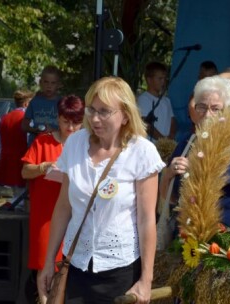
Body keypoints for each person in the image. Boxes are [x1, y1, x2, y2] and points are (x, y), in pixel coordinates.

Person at [37, 77, 164, 304]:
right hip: (75, 267)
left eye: (104, 111)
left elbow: (146, 220)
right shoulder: (75, 143)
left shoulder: (142, 152)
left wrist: (146, 280)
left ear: (125, 115)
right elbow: (64, 207)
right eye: (91, 110)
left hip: (121, 271)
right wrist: (48, 263)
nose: (95, 118)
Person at [160, 76, 230, 229]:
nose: (207, 114)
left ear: (228, 111)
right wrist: (168, 174)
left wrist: (197, 170)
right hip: (187, 239)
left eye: (215, 109)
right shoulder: (187, 142)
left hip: (228, 242)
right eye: (201, 107)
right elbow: (170, 199)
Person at [21, 95, 84, 289]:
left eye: (76, 123)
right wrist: (44, 167)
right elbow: (25, 171)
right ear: (58, 118)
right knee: (44, 264)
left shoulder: (86, 145)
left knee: (68, 268)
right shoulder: (43, 142)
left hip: (75, 215)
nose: (71, 128)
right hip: (46, 213)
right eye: (66, 122)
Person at [0, 89, 34, 206]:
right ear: (26, 104)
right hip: (22, 160)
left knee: (15, 194)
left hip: (7, 160)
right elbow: (29, 141)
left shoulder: (4, 118)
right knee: (22, 196)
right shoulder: (26, 120)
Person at [22, 65, 62, 146]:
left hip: (55, 146)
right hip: (36, 146)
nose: (49, 86)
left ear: (58, 85)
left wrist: (52, 131)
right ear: (40, 82)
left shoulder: (62, 103)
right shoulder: (35, 102)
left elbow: (68, 128)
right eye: (46, 82)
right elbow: (24, 125)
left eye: (53, 83)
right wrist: (34, 130)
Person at [137, 61, 176, 141]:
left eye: (165, 78)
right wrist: (162, 140)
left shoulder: (166, 100)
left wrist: (171, 136)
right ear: (149, 80)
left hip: (165, 147)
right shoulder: (143, 99)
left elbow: (173, 121)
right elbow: (145, 124)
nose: (163, 82)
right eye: (160, 78)